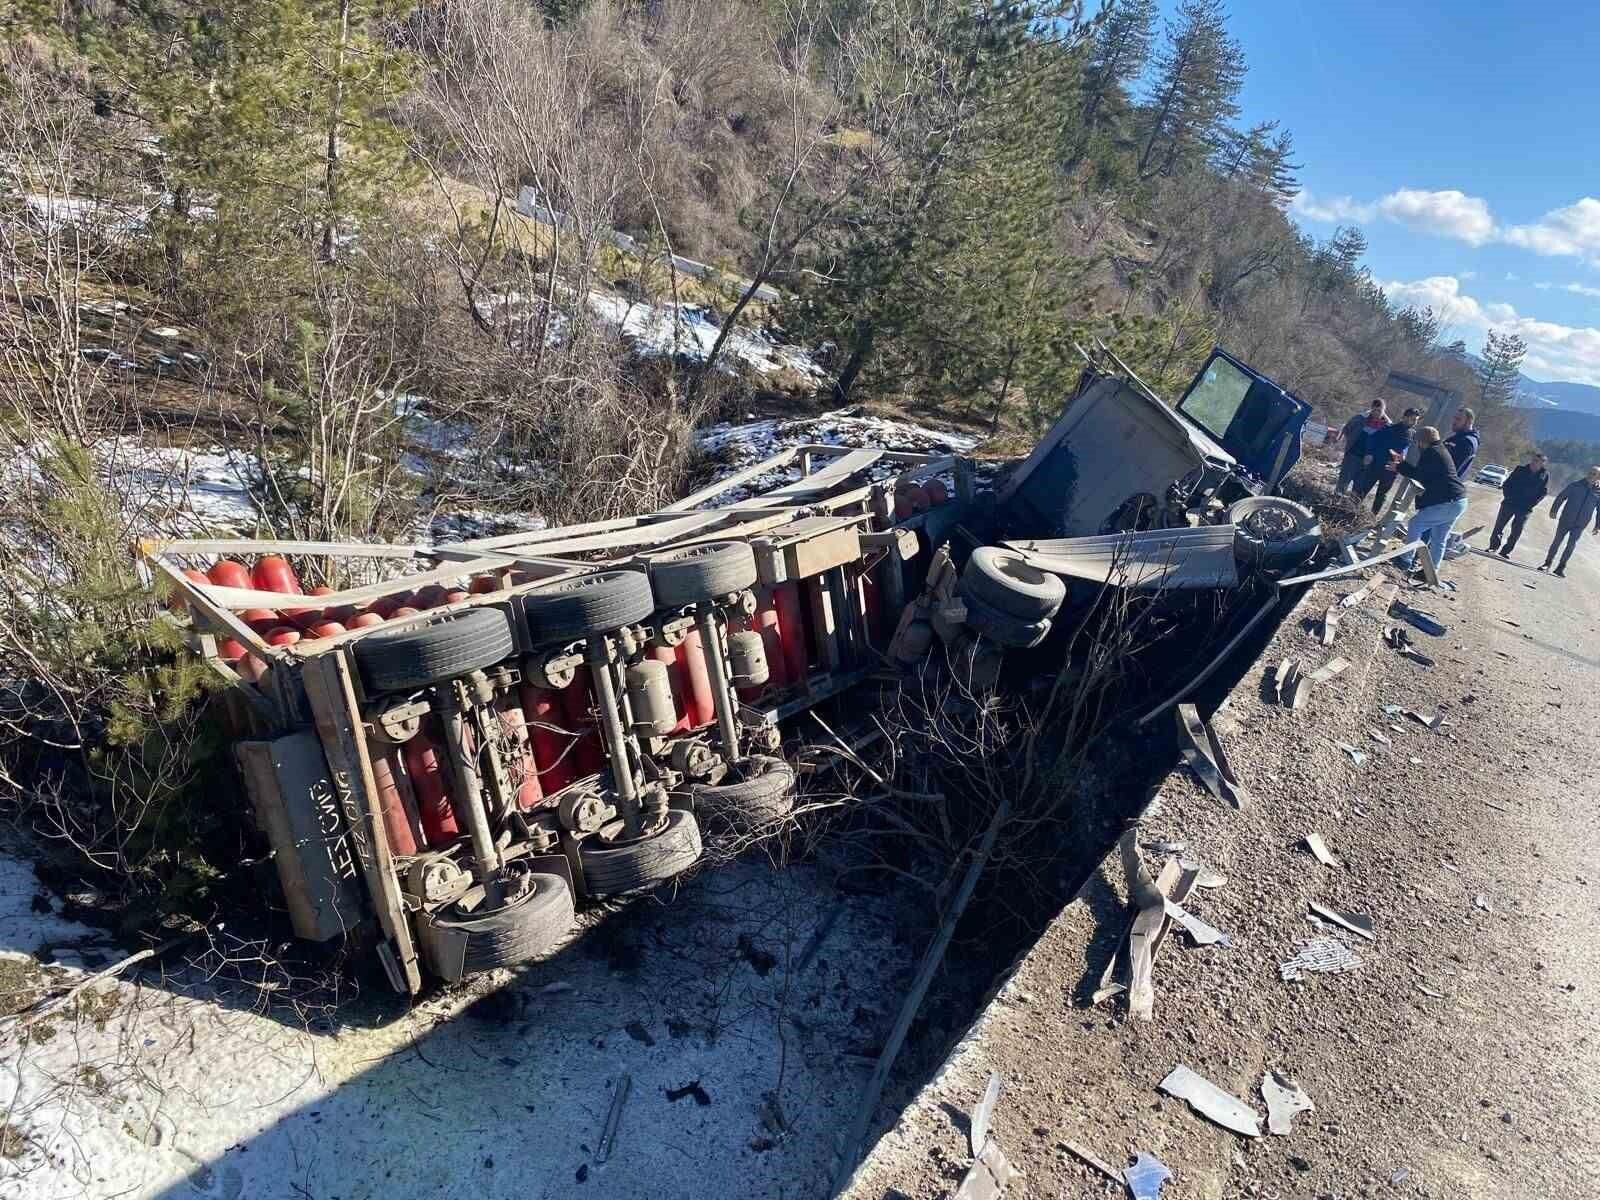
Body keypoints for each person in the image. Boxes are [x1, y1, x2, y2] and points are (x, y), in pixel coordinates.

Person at [1389, 426, 1469, 575]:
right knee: (1439, 538)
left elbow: (1420, 475)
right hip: (1458, 501)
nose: (1417, 445)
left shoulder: (1432, 453)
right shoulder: (1439, 450)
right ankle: (1431, 572)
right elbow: (1423, 472)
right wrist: (1403, 463)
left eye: (1417, 442)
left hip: (1448, 501)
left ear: (1422, 441)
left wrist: (1399, 467)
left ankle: (1406, 559)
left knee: (1415, 524)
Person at [1355, 406, 1422, 512]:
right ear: (1404, 417)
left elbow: (1410, 451)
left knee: (1381, 496)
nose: (1414, 422)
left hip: (1392, 470)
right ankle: (1350, 511)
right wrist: (1369, 454)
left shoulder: (1413, 434)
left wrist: (1403, 460)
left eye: (1416, 420)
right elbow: (1372, 440)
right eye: (1413, 419)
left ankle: (1370, 519)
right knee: (1363, 490)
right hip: (1377, 465)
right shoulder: (1389, 428)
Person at [1539, 466, 1600, 577]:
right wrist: (1554, 510)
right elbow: (1561, 497)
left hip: (1580, 524)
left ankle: (1560, 568)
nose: (1590, 475)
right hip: (1566, 519)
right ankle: (1547, 564)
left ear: (1598, 477)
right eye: (1590, 472)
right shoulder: (1576, 485)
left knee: (1571, 545)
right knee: (1557, 542)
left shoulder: (1598, 492)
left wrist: (1597, 525)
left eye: (1594, 474)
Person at [1488, 451, 1549, 558]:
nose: (1534, 463)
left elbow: (1543, 492)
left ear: (1543, 463)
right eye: (1534, 460)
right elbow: (1507, 483)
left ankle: (1505, 552)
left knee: (1516, 531)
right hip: (1510, 503)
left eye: (1538, 461)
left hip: (1525, 508)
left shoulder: (1545, 475)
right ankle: (1493, 547)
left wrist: (1533, 503)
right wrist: (1508, 496)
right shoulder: (1520, 469)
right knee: (1499, 526)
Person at [1335, 399, 1388, 493]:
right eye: (1374, 410)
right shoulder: (1360, 418)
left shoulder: (1387, 426)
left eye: (1379, 411)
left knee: (1358, 488)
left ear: (1384, 410)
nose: (1376, 413)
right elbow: (1347, 429)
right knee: (1343, 482)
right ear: (1371, 408)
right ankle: (1333, 502)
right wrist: (1346, 441)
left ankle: (1348, 506)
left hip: (1370, 462)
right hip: (1353, 455)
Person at [1442, 406, 1479, 478]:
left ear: (1469, 422)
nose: (1454, 422)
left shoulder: (1467, 442)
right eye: (1454, 418)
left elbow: (1451, 470)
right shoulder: (1457, 438)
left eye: (1458, 419)